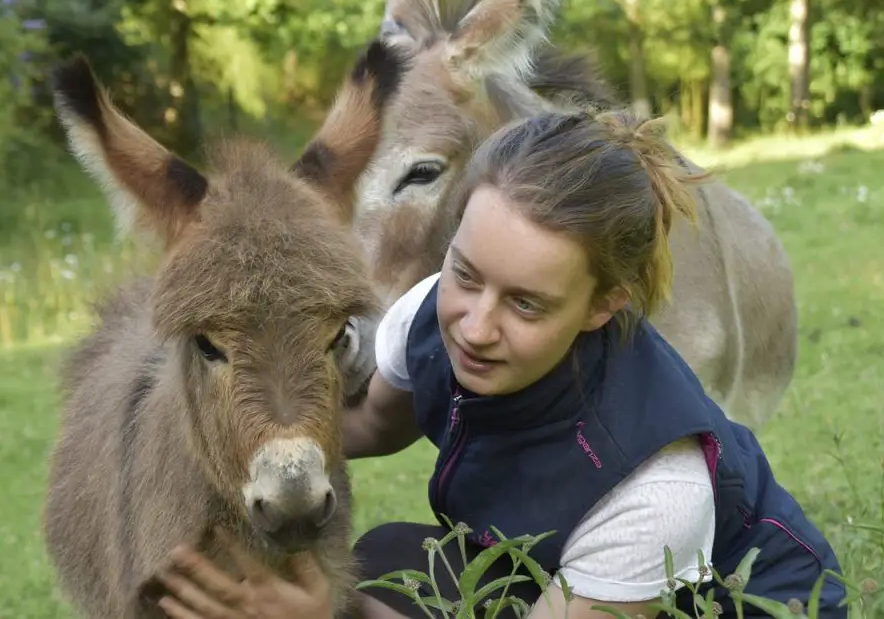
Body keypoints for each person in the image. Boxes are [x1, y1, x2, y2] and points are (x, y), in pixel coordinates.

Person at [150, 110, 848, 619]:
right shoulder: (433, 313)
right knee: (397, 560)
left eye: (527, 304)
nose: (475, 328)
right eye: (466, 271)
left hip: (742, 603)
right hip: (545, 569)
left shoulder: (656, 488)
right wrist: (232, 436)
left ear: (604, 305)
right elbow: (366, 425)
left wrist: (331, 618)